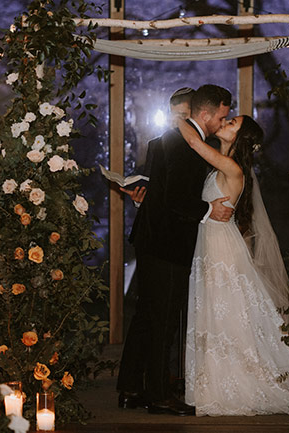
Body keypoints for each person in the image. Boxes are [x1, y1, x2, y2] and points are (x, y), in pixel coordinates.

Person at [116, 84, 234, 416]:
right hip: (168, 243)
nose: (221, 123)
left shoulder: (173, 140)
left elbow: (164, 192)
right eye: (221, 116)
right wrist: (210, 209)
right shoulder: (187, 146)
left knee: (146, 316)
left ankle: (130, 388)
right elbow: (177, 199)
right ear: (205, 114)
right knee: (163, 321)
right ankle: (158, 395)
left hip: (152, 239)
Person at [177, 115, 289, 416]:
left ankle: (234, 383)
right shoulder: (219, 165)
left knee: (226, 312)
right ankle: (213, 384)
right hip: (210, 244)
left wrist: (179, 117)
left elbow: (193, 141)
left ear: (241, 137)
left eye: (232, 122)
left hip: (221, 248)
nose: (225, 123)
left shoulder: (232, 168)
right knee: (214, 312)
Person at [120, 87, 196, 205]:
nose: (176, 121)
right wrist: (140, 200)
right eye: (173, 115)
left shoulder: (211, 146)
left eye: (182, 116)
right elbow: (149, 187)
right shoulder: (156, 146)